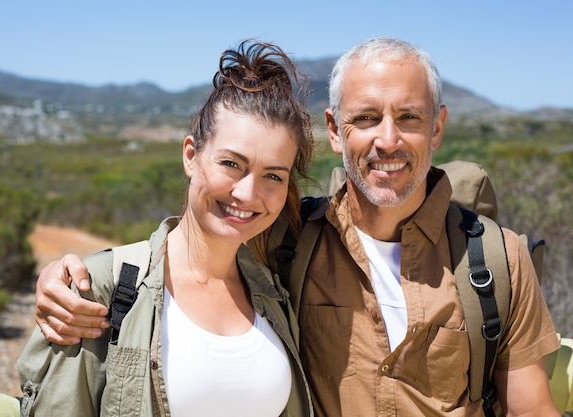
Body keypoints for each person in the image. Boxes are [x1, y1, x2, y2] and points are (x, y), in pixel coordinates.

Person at [31, 37, 561, 416]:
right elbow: (192, 244)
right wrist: (67, 273)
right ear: (334, 129)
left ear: (438, 127)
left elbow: (530, 408)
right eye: (366, 118)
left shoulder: (496, 260)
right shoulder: (287, 241)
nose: (388, 140)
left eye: (409, 117)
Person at [17, 39, 315, 417]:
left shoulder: (276, 293)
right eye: (231, 163)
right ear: (191, 156)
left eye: (273, 174)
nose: (247, 192)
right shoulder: (103, 287)